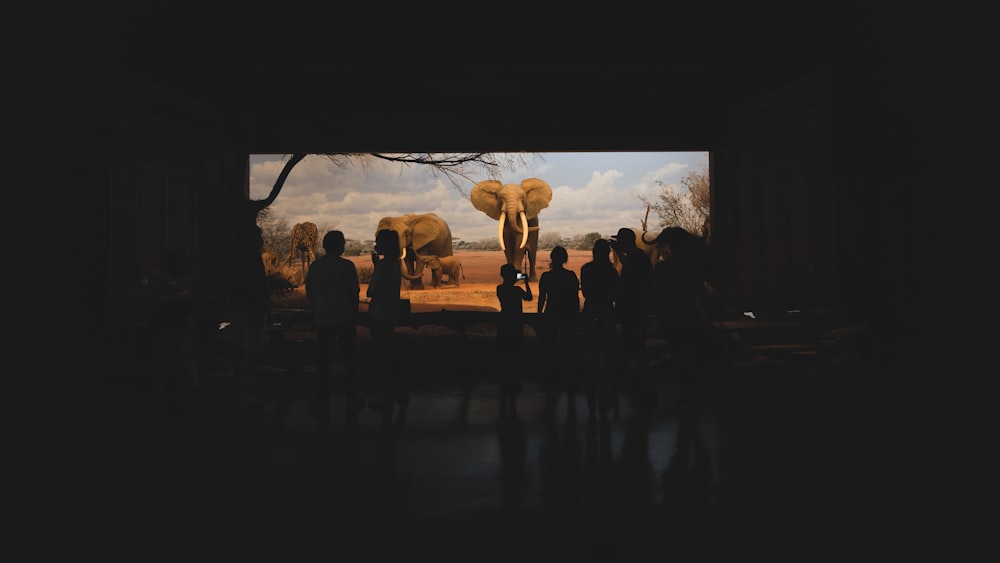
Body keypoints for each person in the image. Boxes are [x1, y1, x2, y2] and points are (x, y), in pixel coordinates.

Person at [650, 227, 712, 401]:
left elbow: (657, 298)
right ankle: (693, 397)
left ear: (668, 246)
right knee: (694, 359)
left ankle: (685, 397)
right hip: (695, 319)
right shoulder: (695, 267)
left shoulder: (662, 269)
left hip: (673, 321)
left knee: (679, 357)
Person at [305, 230, 360, 422]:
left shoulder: (316, 267)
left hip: (323, 319)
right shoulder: (347, 266)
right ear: (341, 246)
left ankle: (322, 401)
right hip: (345, 318)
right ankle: (352, 400)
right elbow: (354, 293)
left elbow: (310, 293)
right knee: (350, 360)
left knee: (323, 361)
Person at [366, 229, 408, 422]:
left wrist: (376, 270)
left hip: (379, 314)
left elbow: (372, 291)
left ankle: (386, 397)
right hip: (390, 312)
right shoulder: (395, 264)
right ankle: (398, 390)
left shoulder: (385, 265)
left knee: (382, 355)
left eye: (378, 242)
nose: (375, 245)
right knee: (390, 353)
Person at [147, 247, 201, 395]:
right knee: (163, 358)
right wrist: (178, 297)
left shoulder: (184, 277)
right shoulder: (159, 277)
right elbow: (153, 301)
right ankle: (162, 391)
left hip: (181, 322)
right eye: (183, 262)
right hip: (164, 323)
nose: (185, 265)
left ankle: (192, 389)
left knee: (187, 357)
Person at [535, 245, 580, 405]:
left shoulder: (546, 276)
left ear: (552, 259)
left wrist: (539, 314)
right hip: (567, 314)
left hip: (551, 313)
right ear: (565, 259)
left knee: (550, 345)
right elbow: (574, 298)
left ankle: (550, 374)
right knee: (568, 345)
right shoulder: (571, 276)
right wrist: (575, 315)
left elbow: (541, 298)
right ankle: (569, 374)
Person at [579, 238, 619, 415]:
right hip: (607, 310)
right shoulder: (611, 271)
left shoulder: (586, 269)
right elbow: (615, 292)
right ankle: (605, 389)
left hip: (591, 309)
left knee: (589, 350)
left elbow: (586, 292)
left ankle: (590, 388)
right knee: (606, 350)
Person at [610, 227, 653, 368]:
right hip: (633, 309)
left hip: (634, 309)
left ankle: (637, 377)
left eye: (620, 241)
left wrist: (642, 310)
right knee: (632, 343)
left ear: (626, 241)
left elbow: (645, 285)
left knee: (633, 344)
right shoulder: (637, 257)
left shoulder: (638, 258)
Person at [496, 263, 533, 401]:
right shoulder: (517, 290)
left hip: (504, 323)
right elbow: (529, 297)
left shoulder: (499, 289)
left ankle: (504, 378)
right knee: (515, 353)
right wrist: (526, 282)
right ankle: (514, 379)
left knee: (505, 353)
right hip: (516, 324)